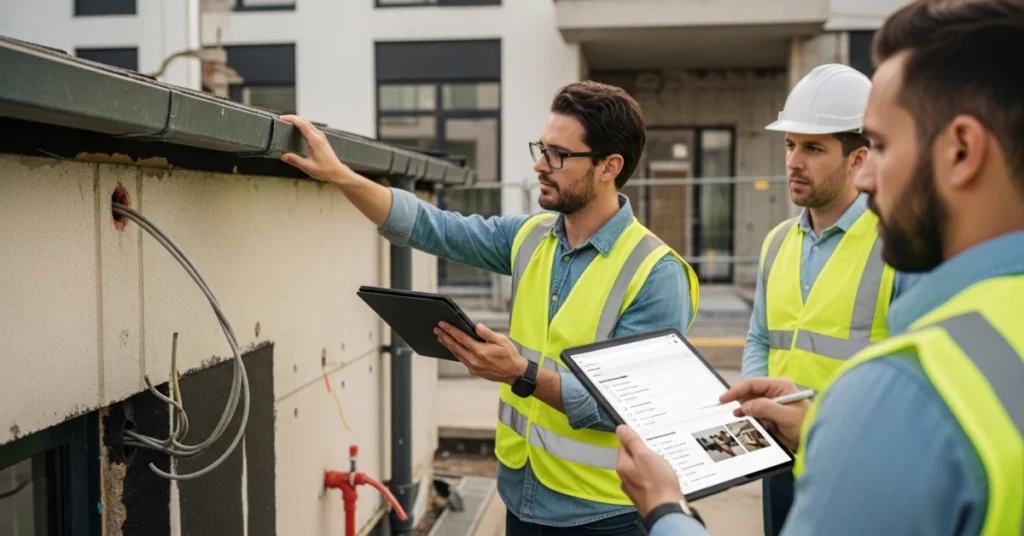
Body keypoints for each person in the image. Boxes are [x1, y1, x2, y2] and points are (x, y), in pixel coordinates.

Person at [614, 0, 1024, 534]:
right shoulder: (998, 328)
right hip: (786, 442)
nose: (871, 176)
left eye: (881, 145)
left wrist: (666, 510)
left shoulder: (906, 392)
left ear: (963, 150)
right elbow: (762, 334)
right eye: (790, 145)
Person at [279, 81, 700, 535]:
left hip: (605, 516)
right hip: (521, 496)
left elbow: (632, 408)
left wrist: (522, 374)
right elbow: (433, 227)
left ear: (608, 167)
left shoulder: (656, 273)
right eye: (541, 148)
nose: (540, 165)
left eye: (558, 154)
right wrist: (341, 175)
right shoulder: (531, 236)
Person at [746, 62, 923, 535]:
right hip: (779, 462)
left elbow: (916, 384)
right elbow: (759, 338)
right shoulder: (777, 242)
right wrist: (755, 409)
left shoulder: (899, 248)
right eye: (789, 145)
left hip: (856, 463)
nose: (793, 161)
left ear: (858, 158)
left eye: (813, 148)